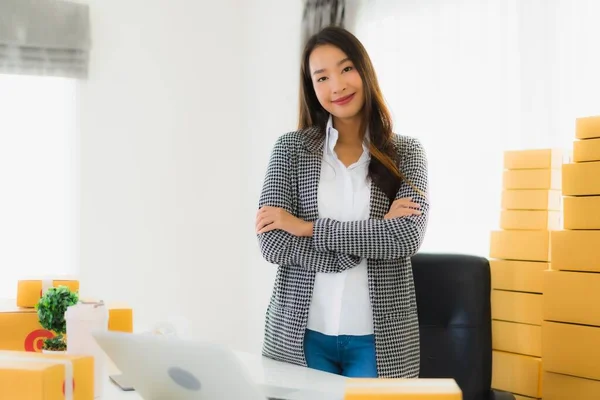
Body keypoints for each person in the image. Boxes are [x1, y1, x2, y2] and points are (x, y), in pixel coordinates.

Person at [255, 26, 429, 379]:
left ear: (364, 71)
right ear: (311, 87)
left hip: (380, 339)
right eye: (322, 77)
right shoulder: (289, 150)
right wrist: (367, 238)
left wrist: (306, 228)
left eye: (346, 69)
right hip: (299, 334)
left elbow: (405, 238)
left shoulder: (407, 153)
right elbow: (272, 242)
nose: (337, 86)